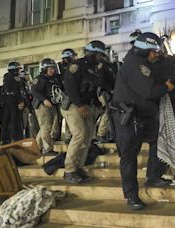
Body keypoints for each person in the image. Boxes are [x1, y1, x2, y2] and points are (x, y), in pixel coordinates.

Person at [111, 32, 174, 210]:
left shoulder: (143, 62)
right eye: (153, 51)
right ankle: (131, 196)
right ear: (144, 49)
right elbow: (150, 91)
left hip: (143, 116)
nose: (156, 54)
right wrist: (167, 87)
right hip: (128, 118)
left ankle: (153, 175)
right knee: (129, 157)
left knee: (159, 141)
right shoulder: (135, 64)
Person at [61, 40, 109, 184]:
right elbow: (70, 87)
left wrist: (98, 105)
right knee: (79, 134)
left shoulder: (94, 68)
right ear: (94, 54)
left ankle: (78, 167)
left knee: (88, 137)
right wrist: (80, 104)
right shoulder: (77, 65)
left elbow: (93, 89)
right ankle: (69, 170)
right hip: (73, 105)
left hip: (86, 106)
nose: (103, 57)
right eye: (101, 55)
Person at [32, 58, 63, 156]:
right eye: (50, 68)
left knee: (44, 127)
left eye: (53, 68)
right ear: (44, 69)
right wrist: (44, 100)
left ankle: (36, 148)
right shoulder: (40, 78)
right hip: (42, 105)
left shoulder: (54, 79)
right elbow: (34, 90)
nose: (52, 70)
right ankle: (47, 149)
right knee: (46, 127)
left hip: (52, 105)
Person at [0, 62, 25, 144]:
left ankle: (3, 139)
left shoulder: (6, 77)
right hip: (13, 102)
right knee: (15, 120)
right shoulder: (15, 78)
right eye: (18, 69)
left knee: (5, 121)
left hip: (6, 102)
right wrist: (20, 101)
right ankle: (14, 138)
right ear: (14, 70)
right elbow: (17, 92)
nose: (19, 71)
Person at [57, 48, 77, 143]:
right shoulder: (59, 67)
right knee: (66, 115)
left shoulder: (73, 66)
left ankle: (69, 135)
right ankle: (67, 136)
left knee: (71, 115)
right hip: (63, 94)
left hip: (71, 93)